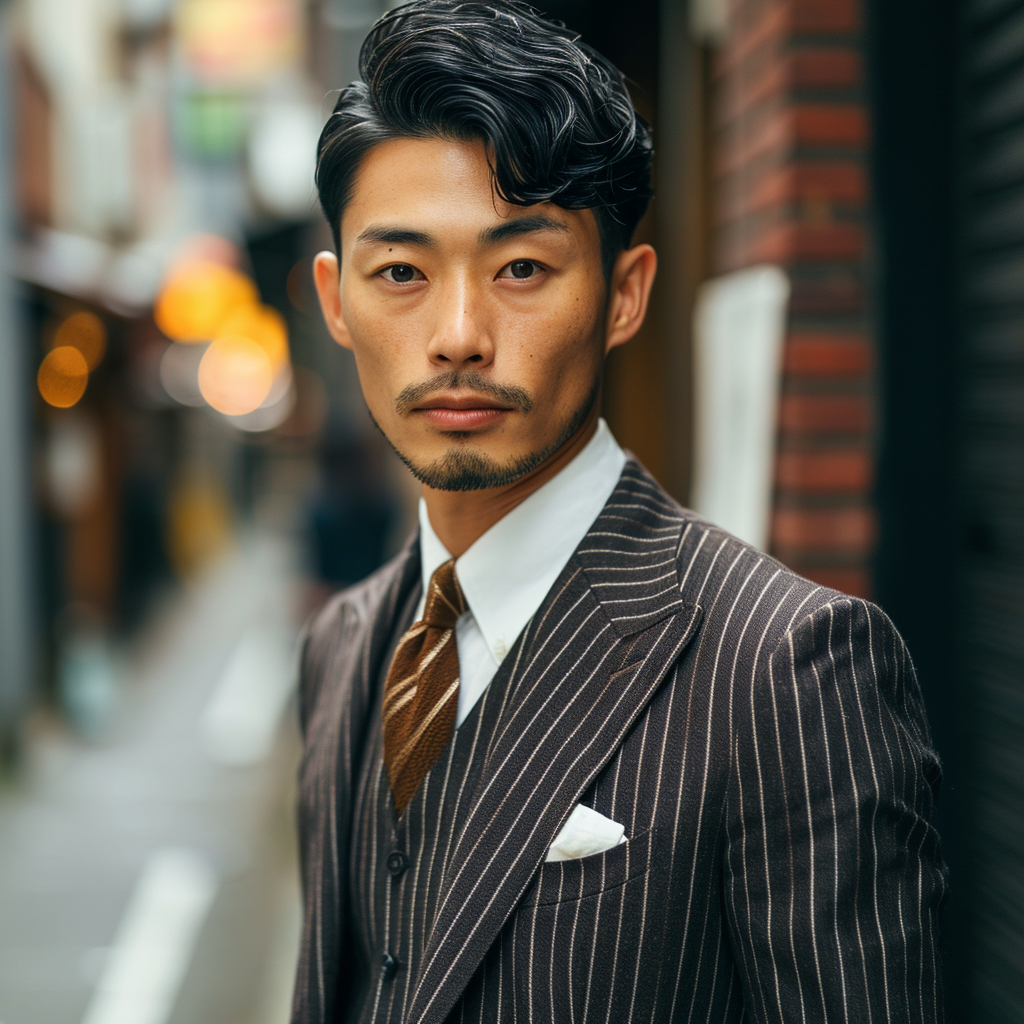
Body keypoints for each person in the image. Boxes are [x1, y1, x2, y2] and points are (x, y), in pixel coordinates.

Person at [297, 2, 948, 1022]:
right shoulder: (340, 647)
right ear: (337, 301)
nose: (458, 335)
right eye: (401, 272)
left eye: (521, 267)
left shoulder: (786, 666)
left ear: (624, 294)